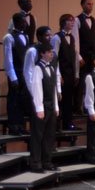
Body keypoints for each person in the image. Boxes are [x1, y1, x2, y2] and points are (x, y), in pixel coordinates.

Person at [29, 42, 61, 173]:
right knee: (38, 136)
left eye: (52, 52)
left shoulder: (52, 68)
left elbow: (53, 89)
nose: (51, 54)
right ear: (42, 54)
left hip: (51, 106)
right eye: (49, 52)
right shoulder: (38, 68)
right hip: (42, 107)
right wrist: (39, 108)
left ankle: (47, 161)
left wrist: (56, 107)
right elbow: (37, 89)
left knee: (49, 135)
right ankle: (36, 163)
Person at [73, 0, 95, 113]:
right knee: (80, 83)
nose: (90, 6)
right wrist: (79, 57)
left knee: (92, 82)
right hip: (82, 56)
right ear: (82, 5)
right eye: (88, 4)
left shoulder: (94, 20)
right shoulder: (77, 20)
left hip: (93, 56)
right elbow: (75, 40)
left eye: (92, 4)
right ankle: (77, 107)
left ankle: (89, 106)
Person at [3, 13, 31, 135]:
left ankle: (20, 125)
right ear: (16, 22)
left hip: (24, 72)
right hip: (15, 72)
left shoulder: (26, 36)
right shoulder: (9, 37)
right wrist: (12, 77)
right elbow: (8, 59)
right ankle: (13, 126)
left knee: (22, 99)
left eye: (25, 21)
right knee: (13, 99)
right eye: (23, 21)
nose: (25, 24)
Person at [51, 14, 79, 131]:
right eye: (70, 21)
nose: (72, 23)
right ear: (63, 22)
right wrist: (59, 76)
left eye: (73, 21)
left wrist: (76, 74)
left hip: (71, 74)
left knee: (69, 100)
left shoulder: (72, 37)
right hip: (62, 73)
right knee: (60, 100)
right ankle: (57, 125)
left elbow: (75, 56)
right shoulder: (56, 38)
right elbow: (54, 58)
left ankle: (68, 124)